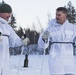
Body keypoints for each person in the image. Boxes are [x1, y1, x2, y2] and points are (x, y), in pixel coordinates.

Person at [38, 7, 76, 75]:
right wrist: (44, 39)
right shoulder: (50, 28)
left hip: (68, 60)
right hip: (56, 59)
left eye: (59, 15)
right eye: (56, 14)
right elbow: (42, 45)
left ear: (65, 15)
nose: (57, 17)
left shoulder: (72, 27)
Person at [0, 3, 23, 75]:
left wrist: (22, 41)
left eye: (10, 13)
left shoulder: (8, 28)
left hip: (5, 62)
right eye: (7, 13)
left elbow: (14, 41)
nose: (9, 15)